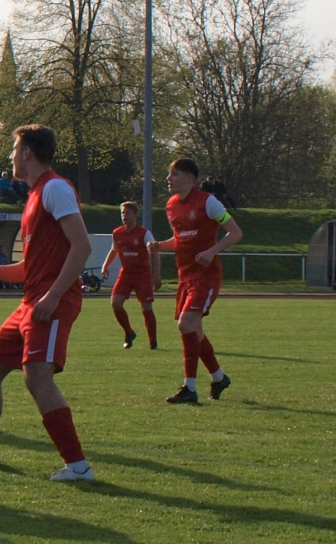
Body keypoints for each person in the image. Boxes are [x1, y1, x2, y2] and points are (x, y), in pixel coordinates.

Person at [0, 125, 94, 481]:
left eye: (14, 148)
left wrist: (53, 295)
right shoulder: (35, 195)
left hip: (52, 301)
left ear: (27, 152)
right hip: (32, 301)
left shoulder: (55, 188)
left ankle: (78, 467)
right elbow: (31, 267)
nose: (11, 156)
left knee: (37, 378)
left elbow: (82, 247)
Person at [153, 156, 242, 405]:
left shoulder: (208, 202)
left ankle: (189, 388)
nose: (169, 178)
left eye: (175, 174)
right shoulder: (171, 205)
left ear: (190, 179)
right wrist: (159, 246)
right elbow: (180, 240)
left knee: (185, 325)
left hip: (206, 276)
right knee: (195, 331)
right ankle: (219, 378)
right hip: (186, 276)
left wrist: (212, 251)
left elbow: (235, 232)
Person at [101, 200, 159, 350]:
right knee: (115, 303)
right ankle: (129, 332)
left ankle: (153, 342)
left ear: (135, 215)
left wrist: (157, 275)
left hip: (142, 274)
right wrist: (105, 266)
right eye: (122, 213)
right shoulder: (117, 233)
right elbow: (114, 250)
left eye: (128, 213)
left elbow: (155, 253)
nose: (124, 216)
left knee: (146, 307)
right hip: (126, 273)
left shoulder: (144, 233)